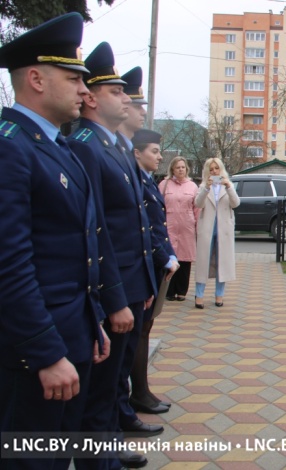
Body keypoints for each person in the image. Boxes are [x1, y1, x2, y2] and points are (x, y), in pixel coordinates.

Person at [0, 13, 112, 470]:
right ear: (36, 79)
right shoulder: (10, 147)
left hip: (72, 339)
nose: (84, 91)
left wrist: (94, 320)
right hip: (37, 355)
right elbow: (11, 265)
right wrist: (45, 351)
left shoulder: (54, 146)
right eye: (73, 78)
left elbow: (77, 249)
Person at [69, 42, 160, 470]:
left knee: (111, 378)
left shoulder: (115, 146)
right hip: (111, 285)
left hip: (127, 280)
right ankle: (99, 453)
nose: (126, 98)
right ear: (92, 97)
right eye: (116, 91)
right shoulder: (88, 146)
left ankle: (107, 443)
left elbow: (133, 220)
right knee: (101, 384)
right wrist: (116, 293)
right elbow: (98, 227)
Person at [127, 128, 175, 418]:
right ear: (137, 153)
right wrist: (164, 256)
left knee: (145, 329)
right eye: (154, 151)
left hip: (155, 263)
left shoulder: (147, 181)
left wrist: (170, 255)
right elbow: (145, 229)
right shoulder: (137, 181)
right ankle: (139, 394)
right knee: (140, 332)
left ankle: (141, 392)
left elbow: (159, 225)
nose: (159, 156)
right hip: (145, 264)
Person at [194, 157, 240, 308]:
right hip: (207, 228)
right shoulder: (202, 186)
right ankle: (199, 295)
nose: (214, 172)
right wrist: (206, 188)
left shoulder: (228, 185)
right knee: (203, 262)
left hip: (224, 229)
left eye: (216, 168)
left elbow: (236, 203)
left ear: (221, 169)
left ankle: (219, 295)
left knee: (223, 263)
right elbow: (198, 204)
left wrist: (228, 187)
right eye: (211, 169)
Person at [160, 156, 199, 301]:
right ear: (172, 169)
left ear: (187, 169)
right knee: (170, 256)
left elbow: (197, 208)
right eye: (178, 167)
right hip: (169, 225)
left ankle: (182, 290)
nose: (181, 169)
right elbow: (159, 205)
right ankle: (169, 290)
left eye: (183, 167)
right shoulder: (164, 184)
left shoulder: (192, 186)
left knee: (185, 259)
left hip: (187, 226)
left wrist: (197, 226)